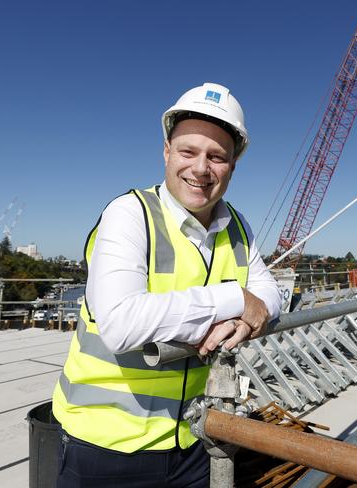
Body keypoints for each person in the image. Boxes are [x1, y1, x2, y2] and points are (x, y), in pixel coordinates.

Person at [52, 82, 282, 487]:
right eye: (188, 152)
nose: (200, 169)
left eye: (217, 157)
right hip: (105, 448)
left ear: (232, 166)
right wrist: (232, 298)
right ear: (166, 152)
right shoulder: (130, 215)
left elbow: (268, 296)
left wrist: (245, 318)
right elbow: (122, 324)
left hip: (193, 440)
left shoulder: (238, 228)